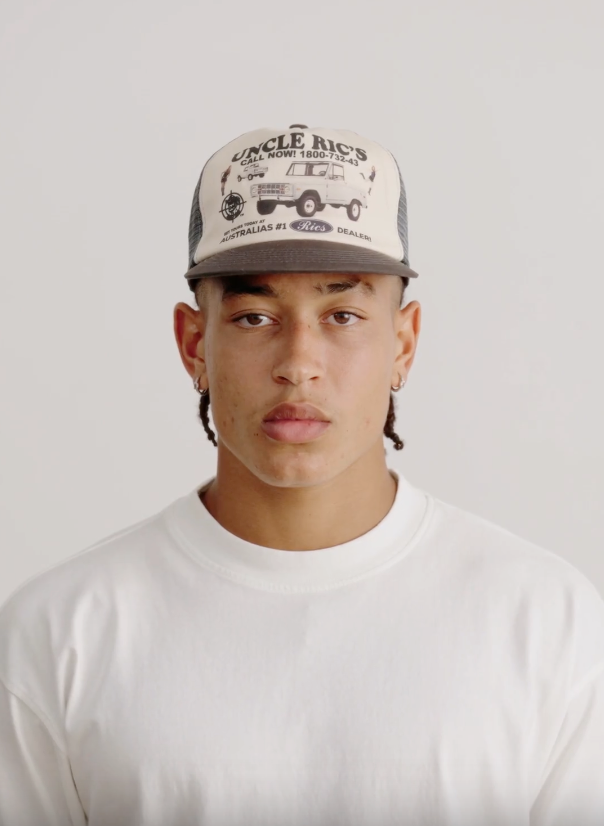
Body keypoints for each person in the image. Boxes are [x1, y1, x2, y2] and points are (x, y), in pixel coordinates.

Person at [1, 124, 603, 826]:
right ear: (194, 344)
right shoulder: (61, 632)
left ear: (403, 342)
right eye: (255, 317)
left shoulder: (544, 620)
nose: (298, 363)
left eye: (342, 314)